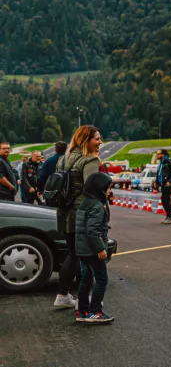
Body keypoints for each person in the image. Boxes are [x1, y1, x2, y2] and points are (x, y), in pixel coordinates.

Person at [53, 126, 103, 310]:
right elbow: (92, 188)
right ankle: (84, 301)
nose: (100, 142)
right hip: (83, 213)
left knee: (73, 254)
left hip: (65, 212)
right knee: (85, 256)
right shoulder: (89, 160)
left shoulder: (62, 159)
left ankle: (62, 295)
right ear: (85, 140)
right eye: (96, 139)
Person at [75, 172, 114, 324]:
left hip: (82, 248)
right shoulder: (97, 206)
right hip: (92, 250)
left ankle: (83, 311)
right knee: (102, 280)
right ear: (99, 188)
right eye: (107, 188)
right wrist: (100, 248)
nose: (110, 191)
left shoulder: (85, 201)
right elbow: (92, 230)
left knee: (85, 279)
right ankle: (95, 312)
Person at [153, 149, 171, 225]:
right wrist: (156, 182)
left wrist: (170, 181)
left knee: (165, 199)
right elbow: (159, 173)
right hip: (163, 183)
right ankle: (169, 216)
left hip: (169, 183)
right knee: (164, 200)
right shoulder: (162, 163)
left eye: (158, 154)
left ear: (163, 154)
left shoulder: (169, 161)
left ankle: (170, 216)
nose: (157, 155)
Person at [37, 141, 67, 206]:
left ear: (55, 149)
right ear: (66, 149)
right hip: (66, 191)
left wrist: (40, 189)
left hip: (51, 192)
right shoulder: (69, 161)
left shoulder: (49, 161)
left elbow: (42, 177)